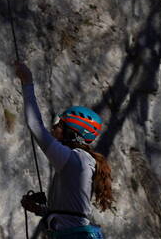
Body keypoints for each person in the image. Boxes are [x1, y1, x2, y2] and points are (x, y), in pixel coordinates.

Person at [14, 61, 113, 239]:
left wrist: (27, 83)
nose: (54, 128)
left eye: (60, 125)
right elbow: (70, 215)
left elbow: (35, 126)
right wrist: (39, 210)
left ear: (72, 133)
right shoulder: (81, 160)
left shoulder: (73, 159)